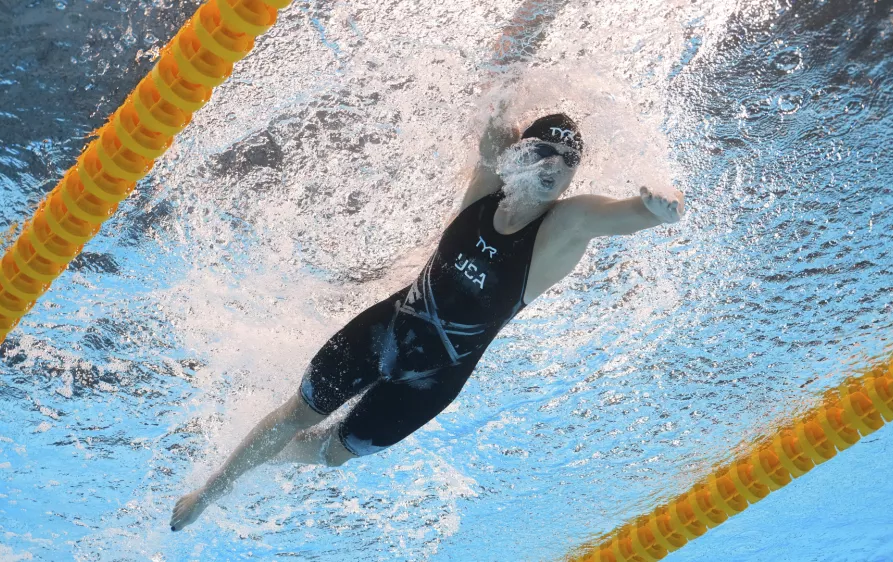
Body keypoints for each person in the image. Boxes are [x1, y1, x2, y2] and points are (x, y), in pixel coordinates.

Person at [170, 113, 684, 531]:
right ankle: (210, 492)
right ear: (518, 154)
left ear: (574, 176)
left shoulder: (562, 230)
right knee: (294, 415)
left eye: (568, 161)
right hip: (381, 332)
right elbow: (502, 78)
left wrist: (662, 209)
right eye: (543, 150)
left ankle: (267, 459)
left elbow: (622, 214)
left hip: (432, 380)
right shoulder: (486, 181)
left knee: (330, 454)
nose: (554, 164)